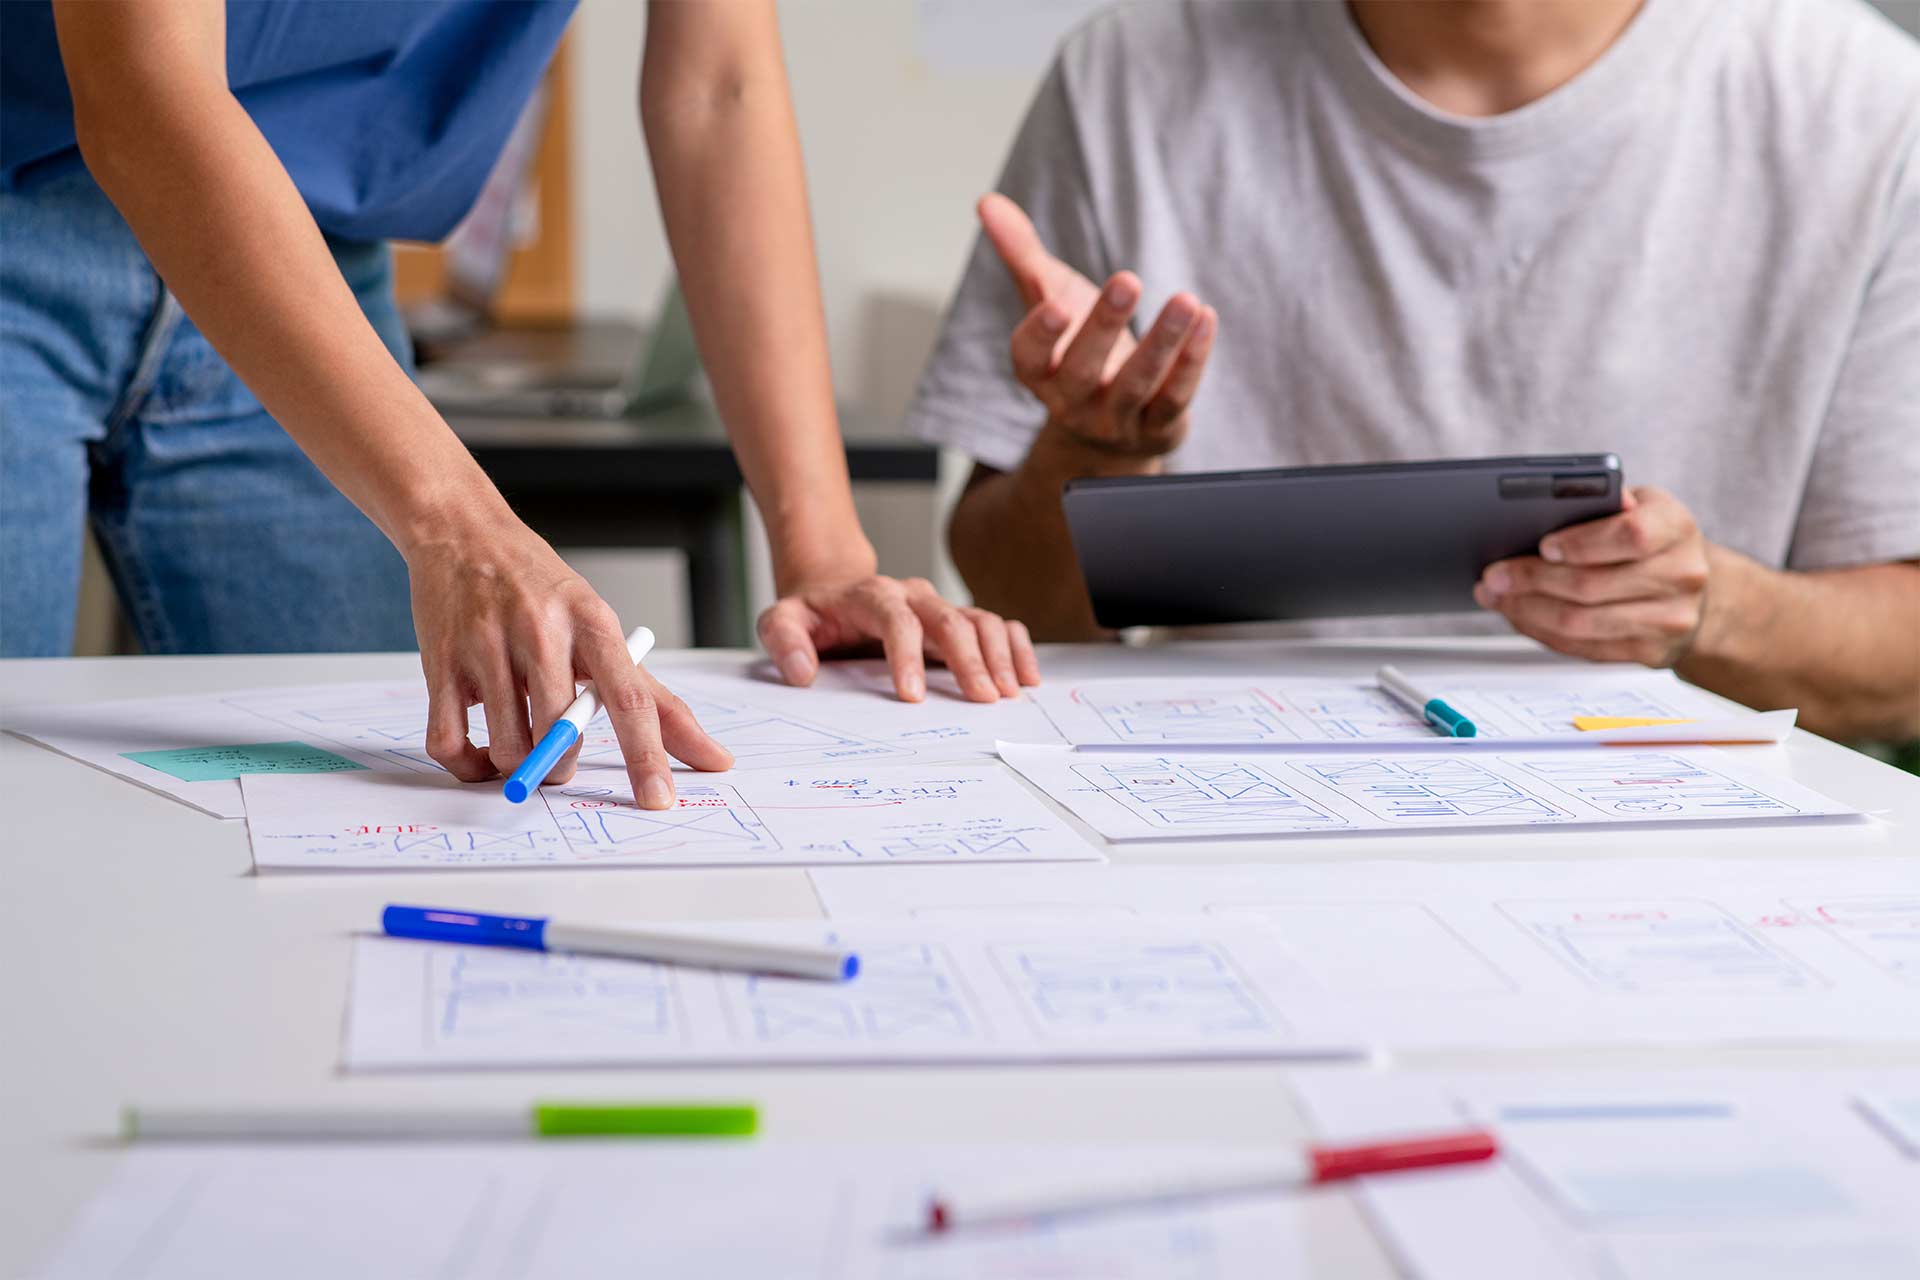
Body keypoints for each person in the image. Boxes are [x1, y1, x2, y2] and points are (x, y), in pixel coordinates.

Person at [0, 0, 1039, 812]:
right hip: (44, 186)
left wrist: (825, 554)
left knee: (380, 819)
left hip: (303, 248)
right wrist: (459, 524)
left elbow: (717, 85)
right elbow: (140, 80)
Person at [908, 0, 1920, 742]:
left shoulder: (1870, 109)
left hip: (1697, 856)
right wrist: (1091, 452)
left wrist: (1709, 611)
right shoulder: (1123, 79)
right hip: (1223, 792)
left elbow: (1901, 662)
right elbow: (1012, 596)